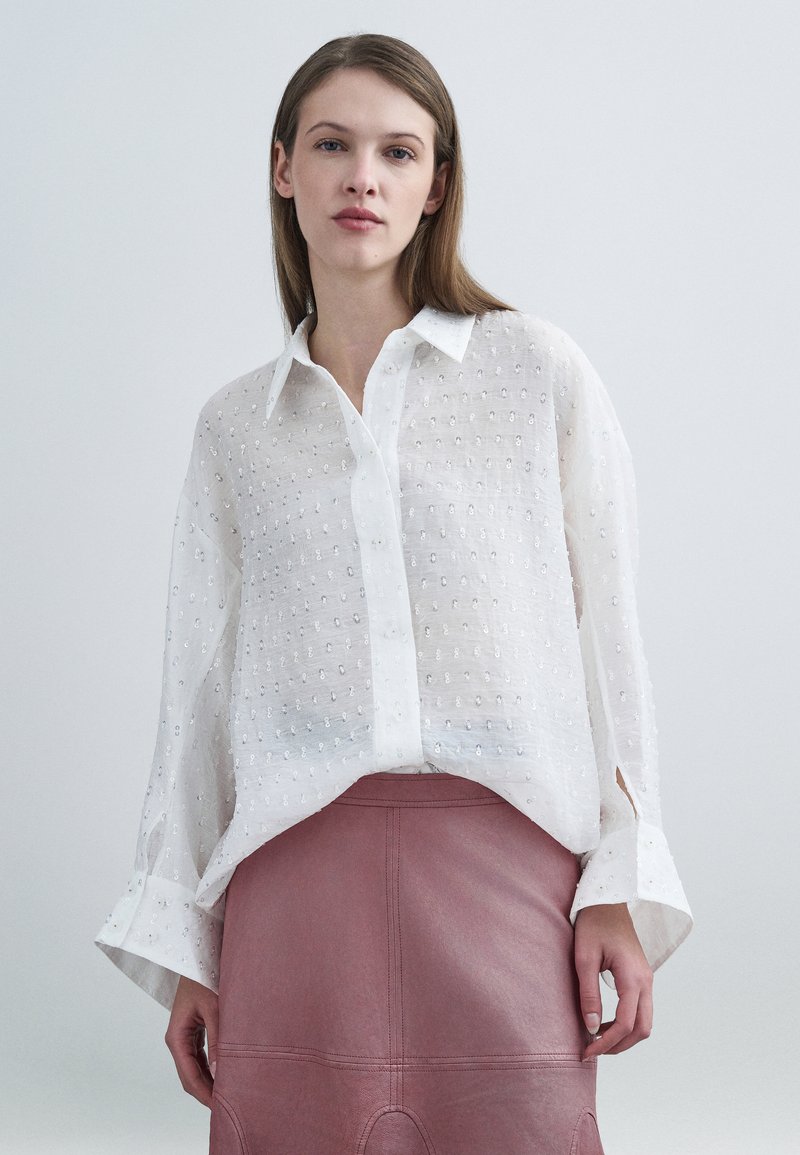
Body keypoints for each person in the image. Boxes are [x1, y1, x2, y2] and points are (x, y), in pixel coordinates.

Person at [95, 33, 692, 1154]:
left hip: (510, 881)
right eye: (331, 145)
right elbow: (197, 696)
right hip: (291, 891)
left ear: (437, 185)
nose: (361, 177)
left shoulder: (534, 373)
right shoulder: (236, 428)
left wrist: (617, 880)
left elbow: (608, 641)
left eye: (397, 152)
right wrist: (190, 943)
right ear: (284, 169)